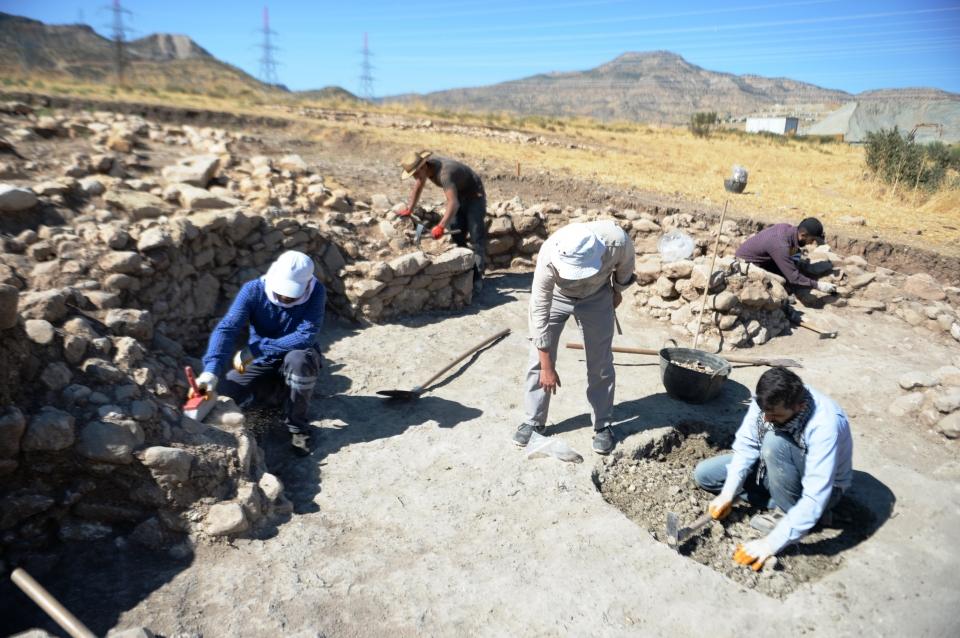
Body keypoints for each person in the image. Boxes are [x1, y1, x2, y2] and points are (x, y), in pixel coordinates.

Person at [692, 366, 853, 571]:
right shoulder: (768, 400)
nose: (767, 419)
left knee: (773, 442)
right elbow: (747, 447)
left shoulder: (824, 425)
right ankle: (798, 509)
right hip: (779, 465)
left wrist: (770, 544)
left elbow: (815, 494)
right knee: (705, 475)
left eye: (775, 415)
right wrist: (727, 494)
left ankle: (790, 513)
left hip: (826, 489)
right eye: (765, 412)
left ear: (799, 407)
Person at [514, 220, 636, 455]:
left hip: (597, 294)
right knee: (537, 361)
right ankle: (533, 421)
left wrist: (618, 291)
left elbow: (626, 265)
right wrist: (547, 367)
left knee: (600, 361)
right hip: (558, 296)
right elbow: (539, 312)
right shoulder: (549, 255)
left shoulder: (616, 241)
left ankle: (602, 424)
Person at [192, 250, 326, 456]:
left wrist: (257, 349)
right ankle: (272, 396)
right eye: (282, 291)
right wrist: (211, 370)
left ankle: (298, 427)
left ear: (307, 284)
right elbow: (227, 328)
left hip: (294, 356)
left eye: (292, 293)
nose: (285, 297)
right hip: (261, 360)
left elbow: (305, 336)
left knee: (299, 360)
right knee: (226, 392)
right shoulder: (253, 290)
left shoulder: (316, 292)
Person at [398, 150, 487, 287]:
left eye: (415, 173)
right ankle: (469, 270)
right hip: (459, 195)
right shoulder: (426, 170)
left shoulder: (445, 173)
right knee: (457, 234)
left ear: (423, 166)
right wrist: (410, 208)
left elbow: (453, 203)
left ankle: (477, 278)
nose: (415, 177)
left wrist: (440, 226)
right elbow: (418, 185)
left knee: (476, 236)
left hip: (475, 196)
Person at [734, 218, 837, 294]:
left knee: (791, 269)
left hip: (764, 259)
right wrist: (818, 285)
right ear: (803, 235)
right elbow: (794, 278)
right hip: (744, 265)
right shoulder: (780, 245)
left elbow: (794, 245)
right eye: (812, 239)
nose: (812, 243)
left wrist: (795, 261)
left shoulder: (788, 229)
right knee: (784, 282)